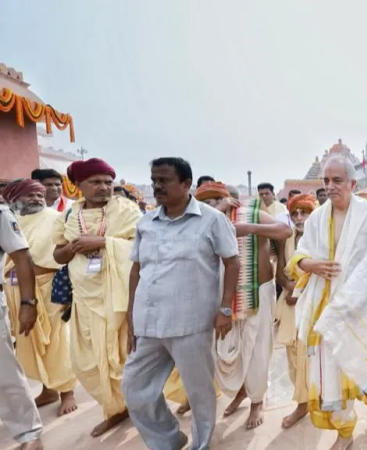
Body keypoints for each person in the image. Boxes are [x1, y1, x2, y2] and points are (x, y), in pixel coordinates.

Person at [289, 155, 367, 450]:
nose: (330, 186)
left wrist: (347, 303)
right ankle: (345, 431)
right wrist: (309, 264)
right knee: (331, 371)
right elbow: (300, 253)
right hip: (323, 311)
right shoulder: (316, 217)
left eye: (337, 180)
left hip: (358, 307)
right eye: (326, 181)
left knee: (364, 360)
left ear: (353, 183)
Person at [122, 159, 239, 449]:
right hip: (149, 323)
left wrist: (225, 308)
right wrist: (130, 315)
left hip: (192, 323)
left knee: (200, 394)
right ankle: (168, 440)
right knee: (135, 388)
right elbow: (137, 269)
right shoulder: (145, 222)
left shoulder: (212, 219)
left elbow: (232, 261)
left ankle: (202, 443)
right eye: (154, 180)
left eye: (164, 180)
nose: (157, 186)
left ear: (186, 184)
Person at [52, 158, 141, 437]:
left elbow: (144, 246)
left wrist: (103, 242)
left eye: (108, 182)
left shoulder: (126, 210)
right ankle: (115, 408)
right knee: (86, 362)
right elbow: (58, 254)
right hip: (84, 301)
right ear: (78, 185)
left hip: (119, 300)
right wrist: (74, 249)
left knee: (125, 359)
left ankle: (139, 410)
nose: (104, 187)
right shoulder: (68, 215)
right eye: (96, 182)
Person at [198, 182, 292, 429]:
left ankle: (256, 401)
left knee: (259, 349)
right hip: (222, 299)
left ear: (228, 199)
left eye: (215, 200)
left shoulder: (249, 214)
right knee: (230, 350)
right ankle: (241, 391)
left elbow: (285, 230)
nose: (210, 206)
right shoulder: (200, 224)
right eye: (205, 203)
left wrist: (245, 228)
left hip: (258, 293)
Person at [2, 180, 78, 416]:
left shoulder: (54, 218)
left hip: (48, 288)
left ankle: (68, 392)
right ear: (14, 198)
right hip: (15, 290)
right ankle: (48, 390)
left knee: (56, 341)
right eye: (30, 195)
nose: (36, 199)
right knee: (29, 342)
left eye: (39, 195)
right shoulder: (10, 219)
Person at [0, 200, 45, 450]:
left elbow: (21, 256)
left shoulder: (1, 213)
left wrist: (28, 302)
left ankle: (29, 432)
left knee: (3, 372)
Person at [274, 193, 316, 429]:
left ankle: (308, 402)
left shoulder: (321, 238)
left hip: (313, 303)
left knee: (310, 355)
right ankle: (303, 402)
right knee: (292, 354)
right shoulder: (286, 238)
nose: (299, 217)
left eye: (304, 212)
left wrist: (297, 292)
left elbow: (323, 274)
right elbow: (279, 271)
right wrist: (290, 289)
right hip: (290, 302)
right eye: (295, 213)